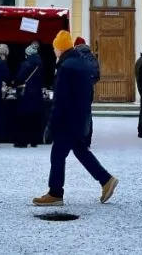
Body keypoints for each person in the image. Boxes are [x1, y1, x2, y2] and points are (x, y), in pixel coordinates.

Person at [33, 31, 118, 207]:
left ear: (60, 48)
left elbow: (60, 100)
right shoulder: (79, 63)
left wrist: (51, 126)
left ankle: (55, 193)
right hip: (78, 117)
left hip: (68, 120)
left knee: (57, 155)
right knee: (80, 151)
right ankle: (106, 180)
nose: (54, 50)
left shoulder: (66, 67)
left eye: (55, 47)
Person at [14, 41, 44, 148]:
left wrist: (14, 83)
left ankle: (22, 141)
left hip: (26, 93)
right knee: (35, 118)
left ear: (27, 54)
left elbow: (20, 78)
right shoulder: (40, 64)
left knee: (24, 118)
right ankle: (34, 140)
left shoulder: (25, 64)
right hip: (37, 94)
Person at [74, 36, 100, 146]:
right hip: (89, 90)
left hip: (76, 90)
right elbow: (97, 75)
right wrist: (90, 83)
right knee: (87, 114)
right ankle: (87, 139)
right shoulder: (92, 57)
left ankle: (78, 138)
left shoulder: (75, 56)